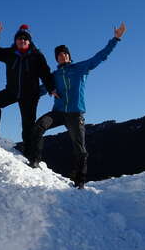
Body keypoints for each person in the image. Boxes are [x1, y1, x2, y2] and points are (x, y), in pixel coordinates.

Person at [29, 23, 127, 189]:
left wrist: (115, 39)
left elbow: (100, 56)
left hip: (75, 114)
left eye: (64, 54)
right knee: (39, 126)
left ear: (69, 56)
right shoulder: (54, 76)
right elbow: (39, 90)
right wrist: (23, 93)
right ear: (56, 58)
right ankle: (35, 160)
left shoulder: (80, 68)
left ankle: (80, 180)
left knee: (79, 148)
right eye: (59, 55)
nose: (62, 56)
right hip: (58, 113)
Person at [0, 22, 56, 160]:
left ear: (29, 41)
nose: (22, 40)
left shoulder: (37, 56)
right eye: (20, 38)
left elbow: (46, 74)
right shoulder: (10, 54)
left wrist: (51, 88)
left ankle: (31, 155)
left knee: (28, 125)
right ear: (16, 40)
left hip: (30, 95)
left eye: (25, 39)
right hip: (12, 91)